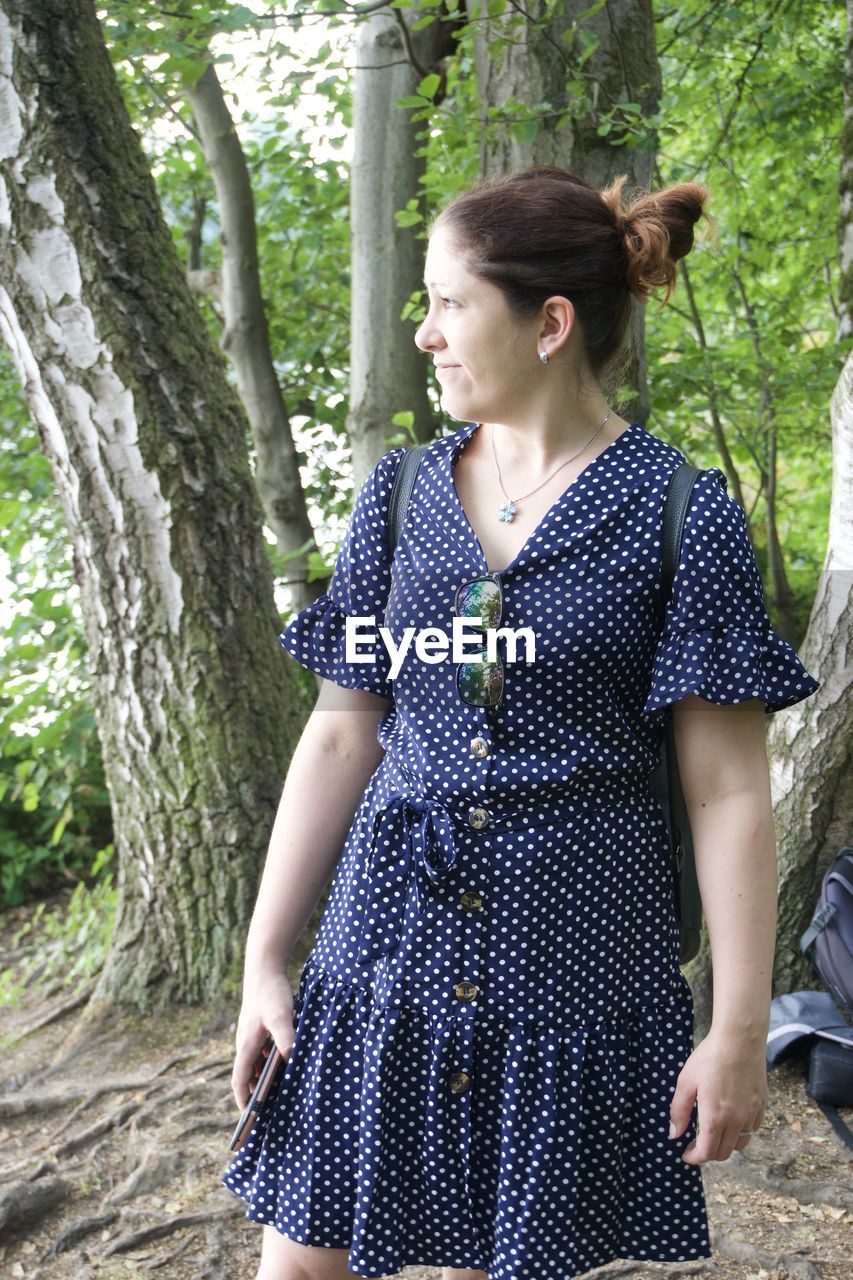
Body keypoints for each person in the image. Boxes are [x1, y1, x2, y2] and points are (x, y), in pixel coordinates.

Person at [220, 166, 822, 1280]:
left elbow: (729, 790)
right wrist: (267, 959)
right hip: (383, 956)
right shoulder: (398, 498)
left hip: (577, 972)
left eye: (451, 303)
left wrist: (734, 1027)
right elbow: (344, 729)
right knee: (302, 1264)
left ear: (548, 323)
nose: (426, 332)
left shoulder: (677, 514)